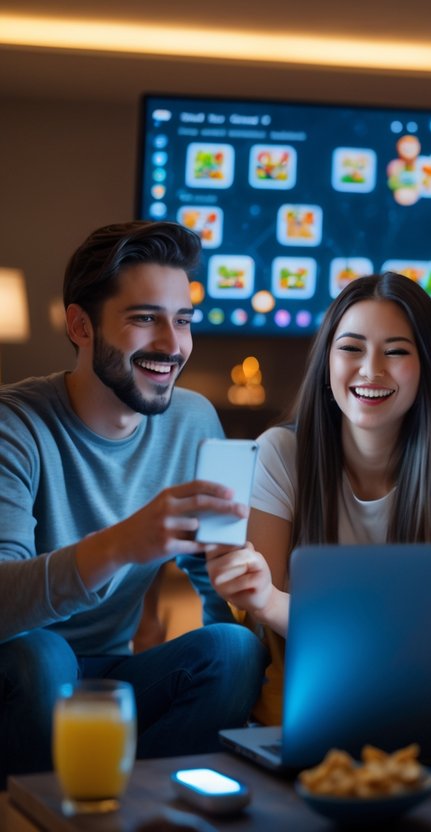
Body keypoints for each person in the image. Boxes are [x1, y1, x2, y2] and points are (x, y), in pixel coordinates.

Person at [0, 221, 267, 779]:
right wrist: (123, 543)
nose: (172, 345)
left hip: (112, 674)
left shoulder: (194, 419)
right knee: (42, 655)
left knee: (234, 649)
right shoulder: (14, 427)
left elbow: (214, 578)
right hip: (19, 668)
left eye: (183, 320)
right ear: (81, 325)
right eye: (145, 319)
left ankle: (138, 806)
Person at [208, 273, 431, 724]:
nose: (371, 369)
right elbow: (264, 617)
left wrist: (274, 603)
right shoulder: (280, 454)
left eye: (396, 351)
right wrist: (258, 596)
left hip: (419, 702)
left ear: (428, 367)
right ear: (326, 360)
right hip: (302, 701)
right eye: (351, 348)